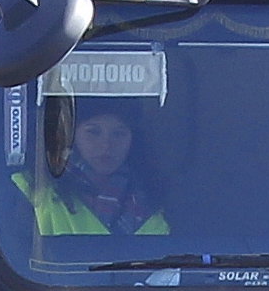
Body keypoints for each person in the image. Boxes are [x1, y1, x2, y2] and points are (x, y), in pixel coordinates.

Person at [16, 98, 171, 236]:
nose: (106, 145)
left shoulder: (152, 196)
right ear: (71, 135)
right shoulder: (34, 186)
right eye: (93, 132)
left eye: (119, 134)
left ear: (133, 139)